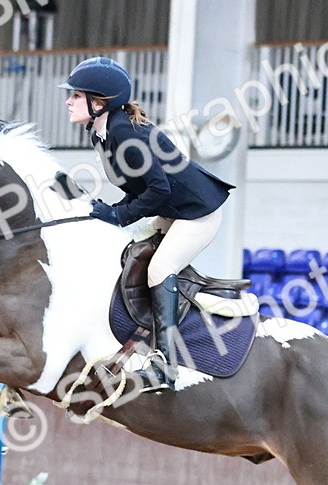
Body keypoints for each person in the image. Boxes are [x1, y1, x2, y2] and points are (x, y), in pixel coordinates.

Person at [60, 56, 235, 391]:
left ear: (100, 103)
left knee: (159, 269)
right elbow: (139, 187)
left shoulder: (125, 134)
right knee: (122, 251)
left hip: (196, 213)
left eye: (77, 96)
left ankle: (165, 366)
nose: (69, 101)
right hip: (172, 210)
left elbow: (158, 189)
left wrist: (119, 215)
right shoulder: (106, 131)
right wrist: (110, 212)